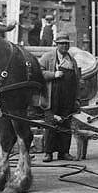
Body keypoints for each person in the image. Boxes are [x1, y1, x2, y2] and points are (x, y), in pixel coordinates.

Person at [38, 32, 81, 162]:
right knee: (51, 124)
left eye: (66, 44)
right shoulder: (47, 57)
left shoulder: (71, 60)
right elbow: (38, 73)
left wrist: (76, 99)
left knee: (65, 124)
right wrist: (53, 74)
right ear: (56, 45)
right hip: (52, 96)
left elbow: (77, 81)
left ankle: (64, 152)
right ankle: (48, 152)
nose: (64, 46)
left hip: (67, 98)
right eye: (61, 44)